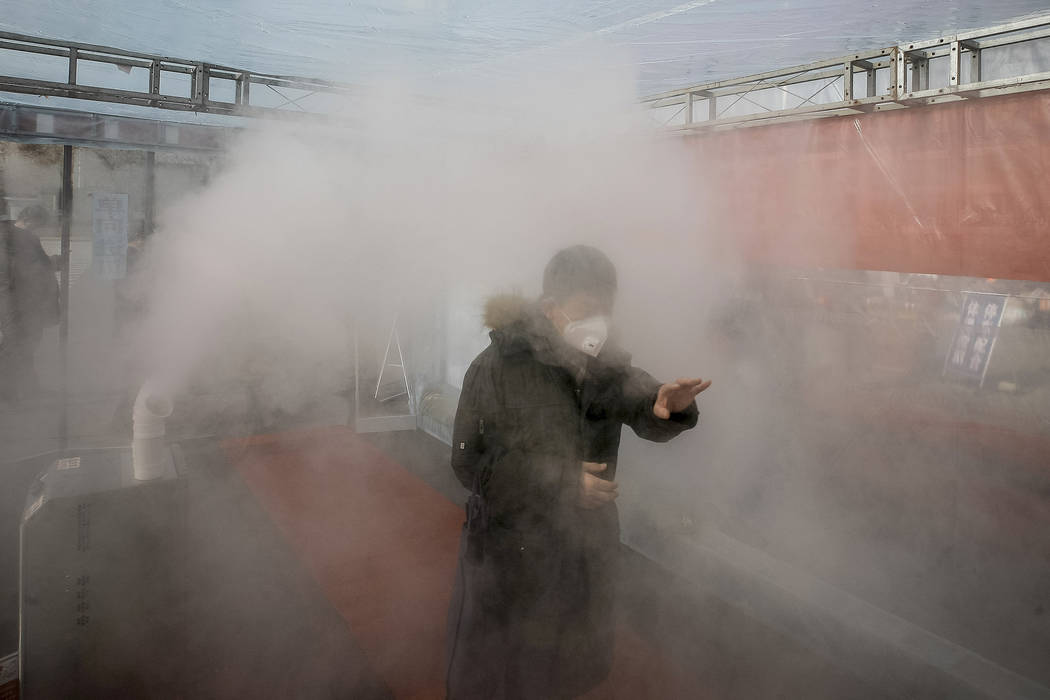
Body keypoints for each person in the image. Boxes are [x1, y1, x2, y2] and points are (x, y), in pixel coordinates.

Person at [445, 245, 709, 699]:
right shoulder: (495, 368)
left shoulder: (603, 366)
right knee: (504, 672)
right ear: (551, 308)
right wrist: (561, 483)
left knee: (568, 668)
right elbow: (469, 465)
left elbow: (639, 397)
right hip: (513, 553)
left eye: (605, 309)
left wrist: (664, 407)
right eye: (587, 310)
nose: (599, 323)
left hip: (583, 550)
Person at [0, 205, 60, 401]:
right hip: (25, 304)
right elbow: (36, 271)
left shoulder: (7, 234)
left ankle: (27, 390)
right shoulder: (24, 238)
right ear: (33, 221)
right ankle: (12, 394)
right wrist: (55, 263)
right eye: (41, 225)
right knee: (20, 348)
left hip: (12, 303)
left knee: (18, 348)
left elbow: (26, 268)